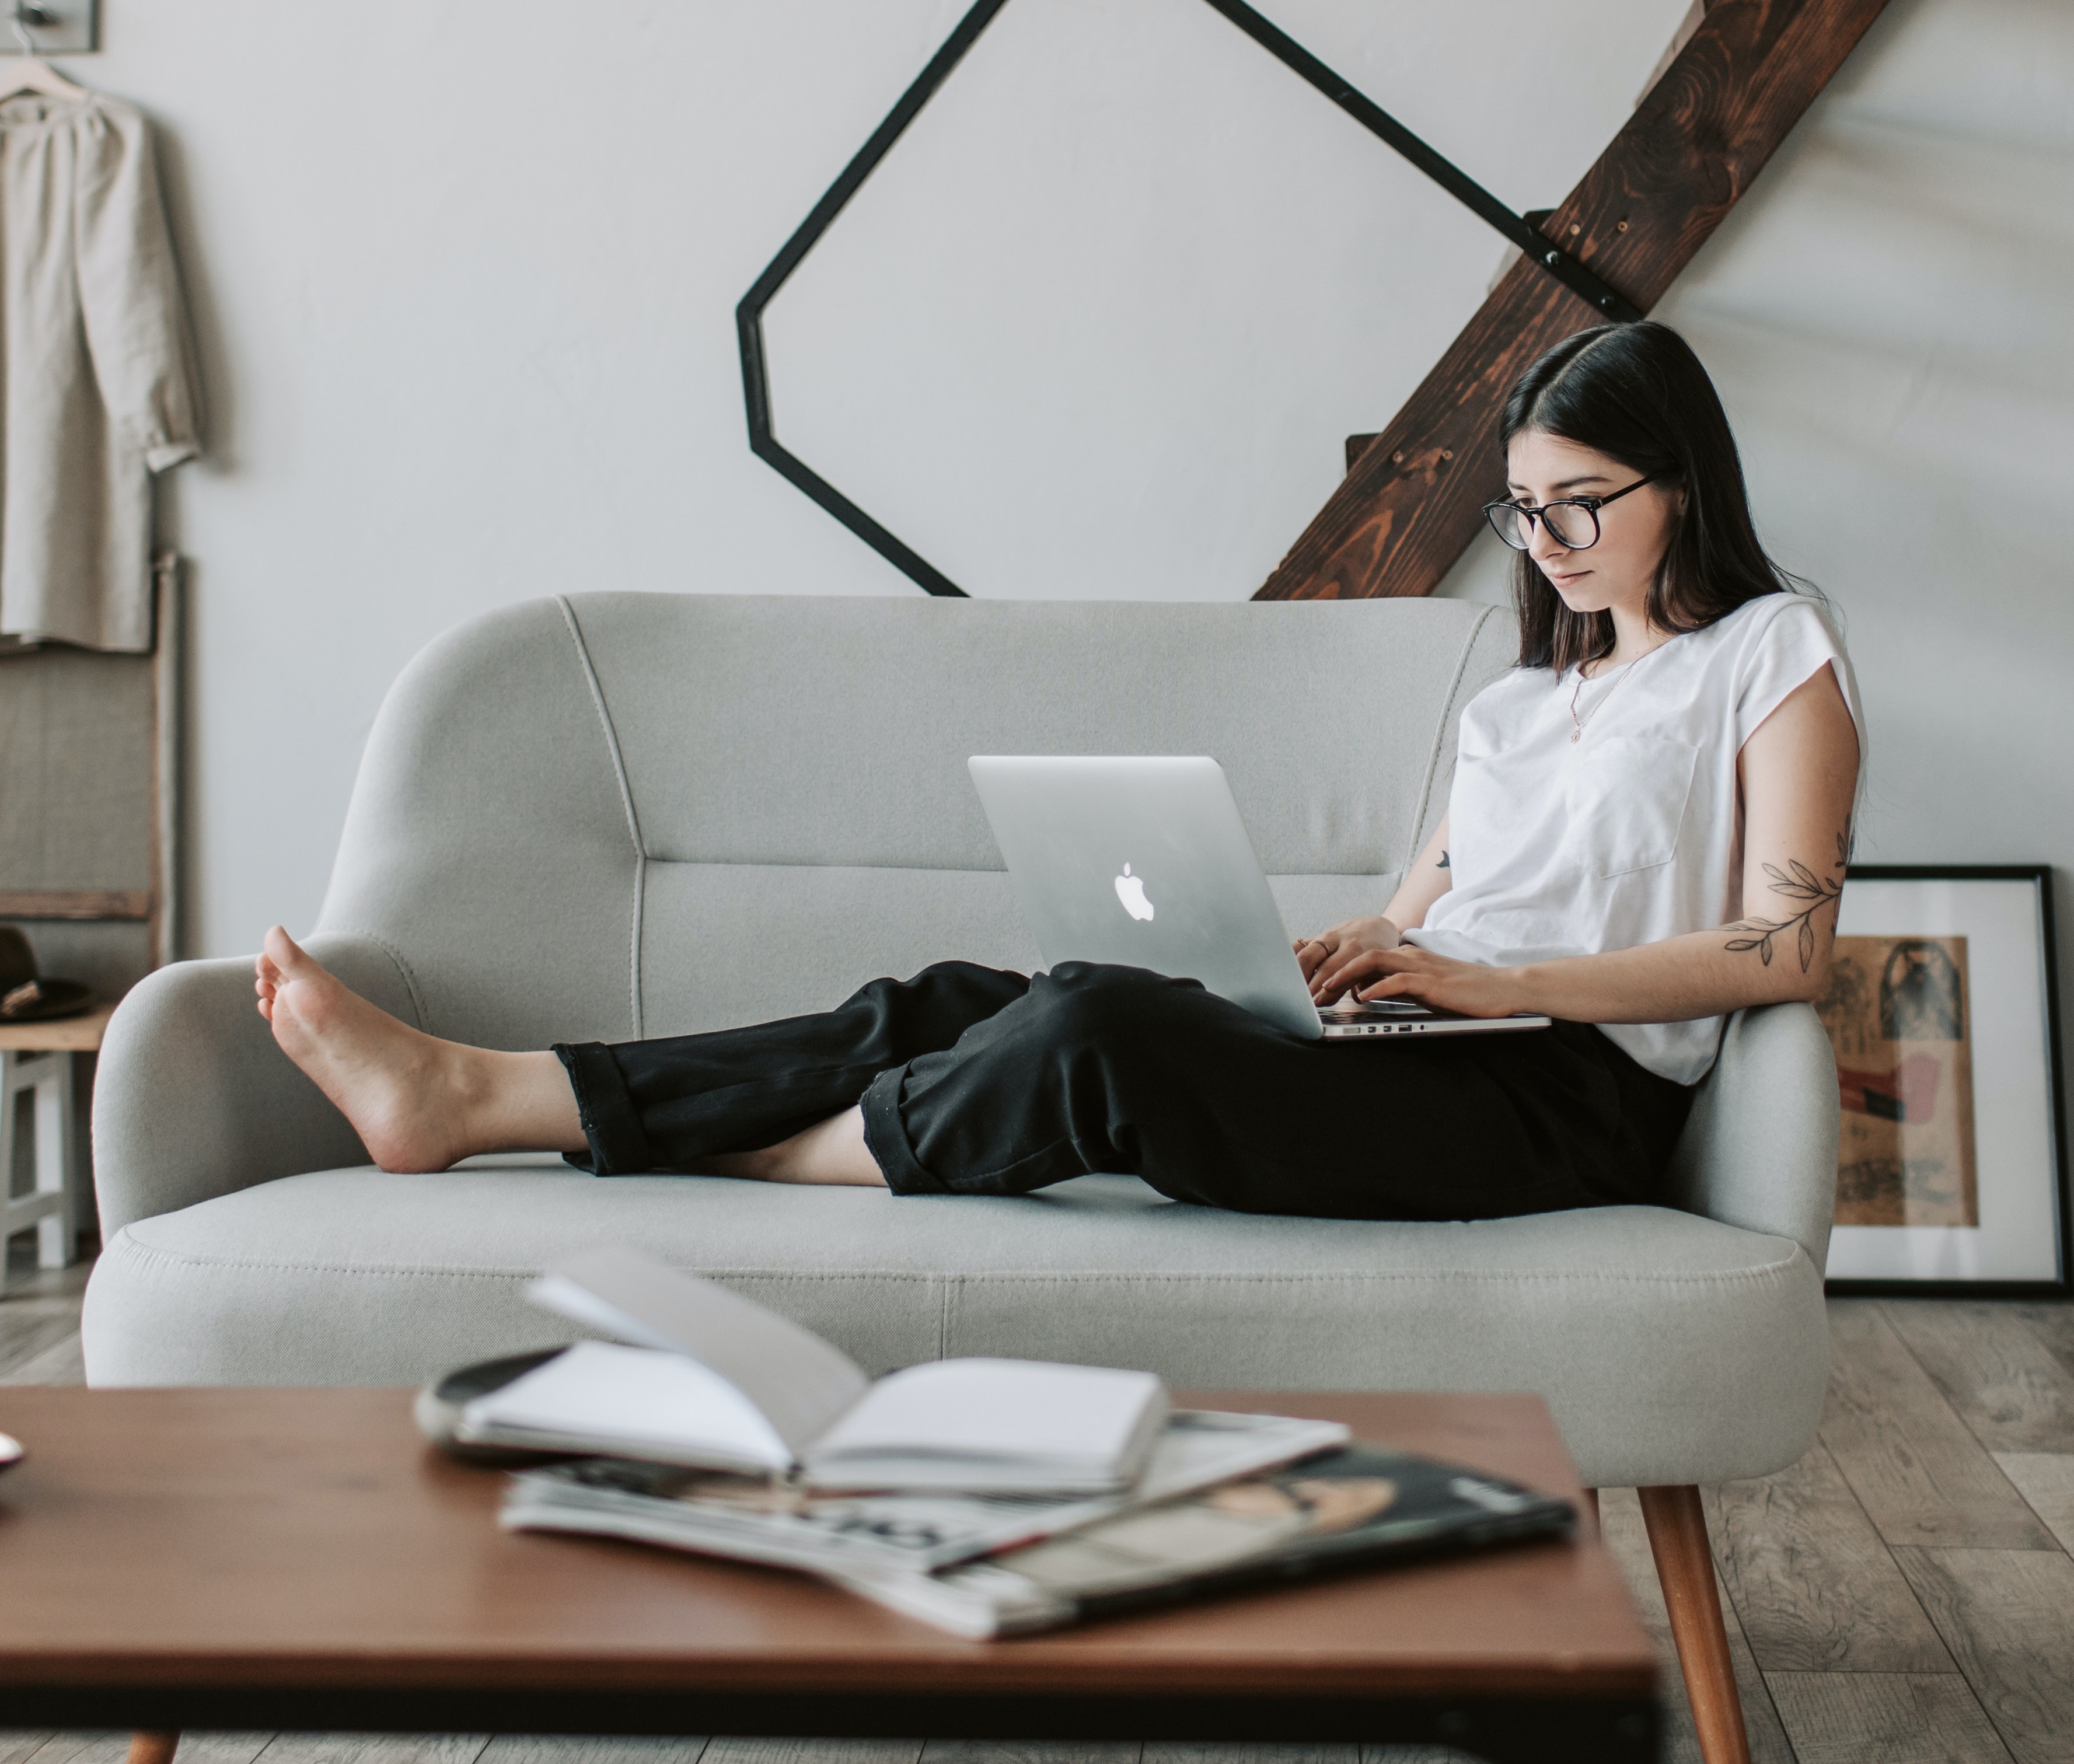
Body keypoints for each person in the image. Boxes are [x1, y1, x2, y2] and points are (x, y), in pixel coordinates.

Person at [254, 319, 1862, 1221]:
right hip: (1425, 1054)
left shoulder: (1769, 655)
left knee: (1090, 1033)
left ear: (1680, 480)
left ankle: (750, 1152)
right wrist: (1343, 972)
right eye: (1523, 511)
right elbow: (1416, 915)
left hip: (1557, 1108)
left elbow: (1788, 951)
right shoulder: (1520, 700)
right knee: (971, 994)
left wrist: (1496, 984)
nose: (1548, 544)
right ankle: (478, 1092)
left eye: (1580, 501)